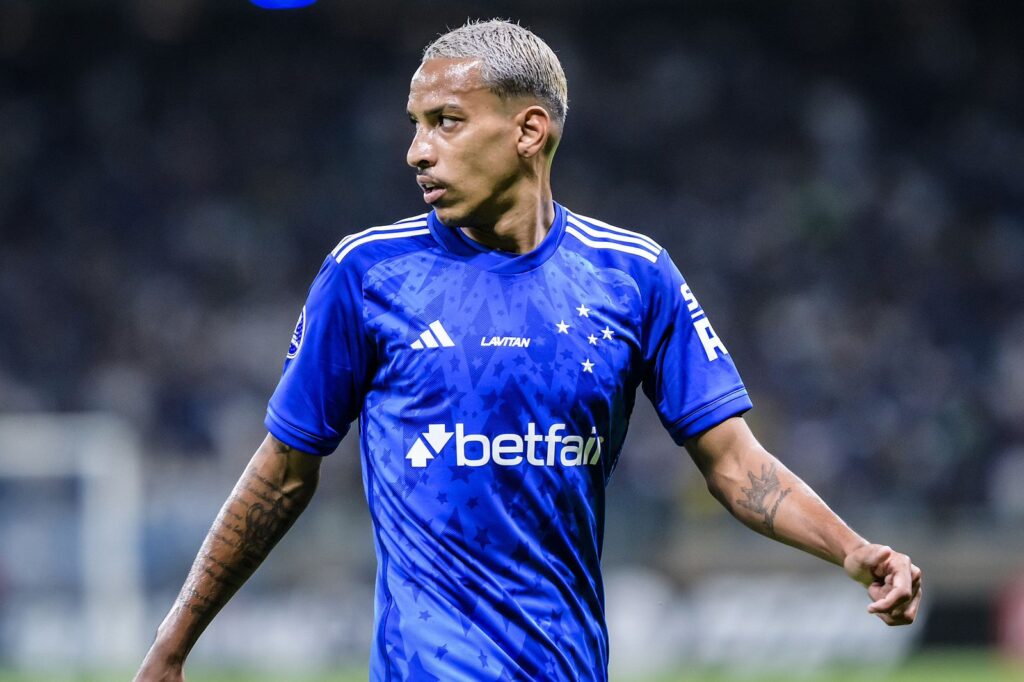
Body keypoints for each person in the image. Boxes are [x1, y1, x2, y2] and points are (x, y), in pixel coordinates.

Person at [134, 18, 922, 682]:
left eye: (445, 121)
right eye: (414, 125)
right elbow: (281, 474)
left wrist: (852, 550)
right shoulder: (367, 274)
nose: (416, 151)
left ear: (528, 131)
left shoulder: (632, 276)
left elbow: (736, 465)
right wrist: (172, 647)